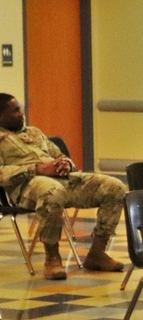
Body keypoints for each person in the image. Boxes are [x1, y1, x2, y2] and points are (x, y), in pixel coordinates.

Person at [0, 93, 125, 280]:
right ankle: (52, 258)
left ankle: (97, 253)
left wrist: (65, 163)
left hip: (63, 180)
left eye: (20, 108)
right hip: (27, 186)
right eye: (15, 110)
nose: (21, 113)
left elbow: (58, 154)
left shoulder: (34, 132)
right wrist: (37, 168)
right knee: (52, 192)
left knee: (115, 187)